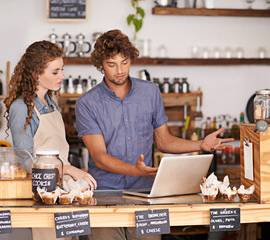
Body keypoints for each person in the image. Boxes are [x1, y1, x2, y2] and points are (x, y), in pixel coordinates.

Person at [75, 29, 234, 240]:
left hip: (147, 194)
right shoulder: (87, 103)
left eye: (125, 61)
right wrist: (137, 170)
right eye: (111, 64)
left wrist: (201, 145)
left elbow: (164, 141)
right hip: (104, 195)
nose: (120, 70)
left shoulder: (150, 92)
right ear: (101, 65)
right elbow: (99, 157)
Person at [4, 40, 97, 240]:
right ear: (36, 73)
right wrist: (70, 169)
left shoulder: (51, 103)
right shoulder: (22, 108)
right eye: (55, 72)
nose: (62, 76)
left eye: (61, 70)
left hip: (65, 192)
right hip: (45, 195)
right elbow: (26, 163)